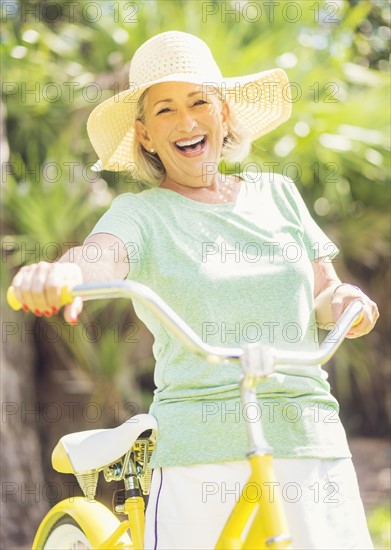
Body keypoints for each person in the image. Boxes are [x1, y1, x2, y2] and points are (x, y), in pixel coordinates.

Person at [12, 31, 379, 549]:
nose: (185, 122)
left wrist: (344, 303)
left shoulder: (280, 194)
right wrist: (64, 274)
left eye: (199, 101)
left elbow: (325, 294)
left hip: (310, 436)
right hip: (201, 454)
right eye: (164, 110)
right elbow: (99, 257)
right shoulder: (142, 214)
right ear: (143, 135)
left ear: (225, 115)